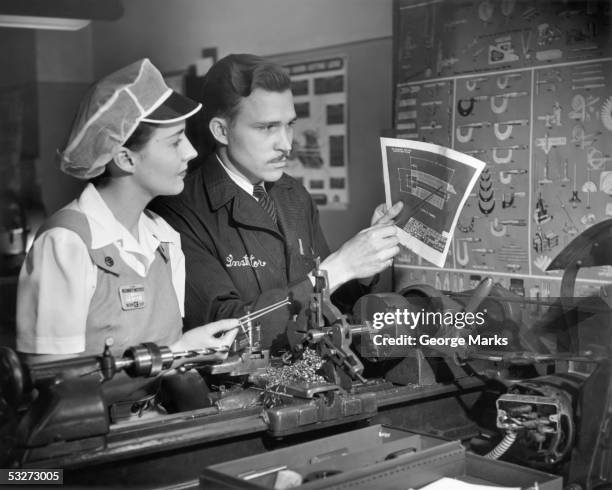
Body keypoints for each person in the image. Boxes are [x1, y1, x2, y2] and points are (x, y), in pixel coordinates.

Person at [150, 54, 403, 349]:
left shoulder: (294, 194)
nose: (286, 144)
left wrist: (363, 268)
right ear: (221, 130)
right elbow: (229, 334)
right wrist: (338, 267)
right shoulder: (177, 210)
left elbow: (329, 307)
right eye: (267, 128)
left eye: (289, 125)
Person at [16, 58, 239, 369]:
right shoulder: (66, 243)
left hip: (159, 416)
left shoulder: (164, 238)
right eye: (175, 141)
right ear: (125, 158)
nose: (191, 151)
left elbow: (164, 356)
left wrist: (185, 348)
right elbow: (53, 380)